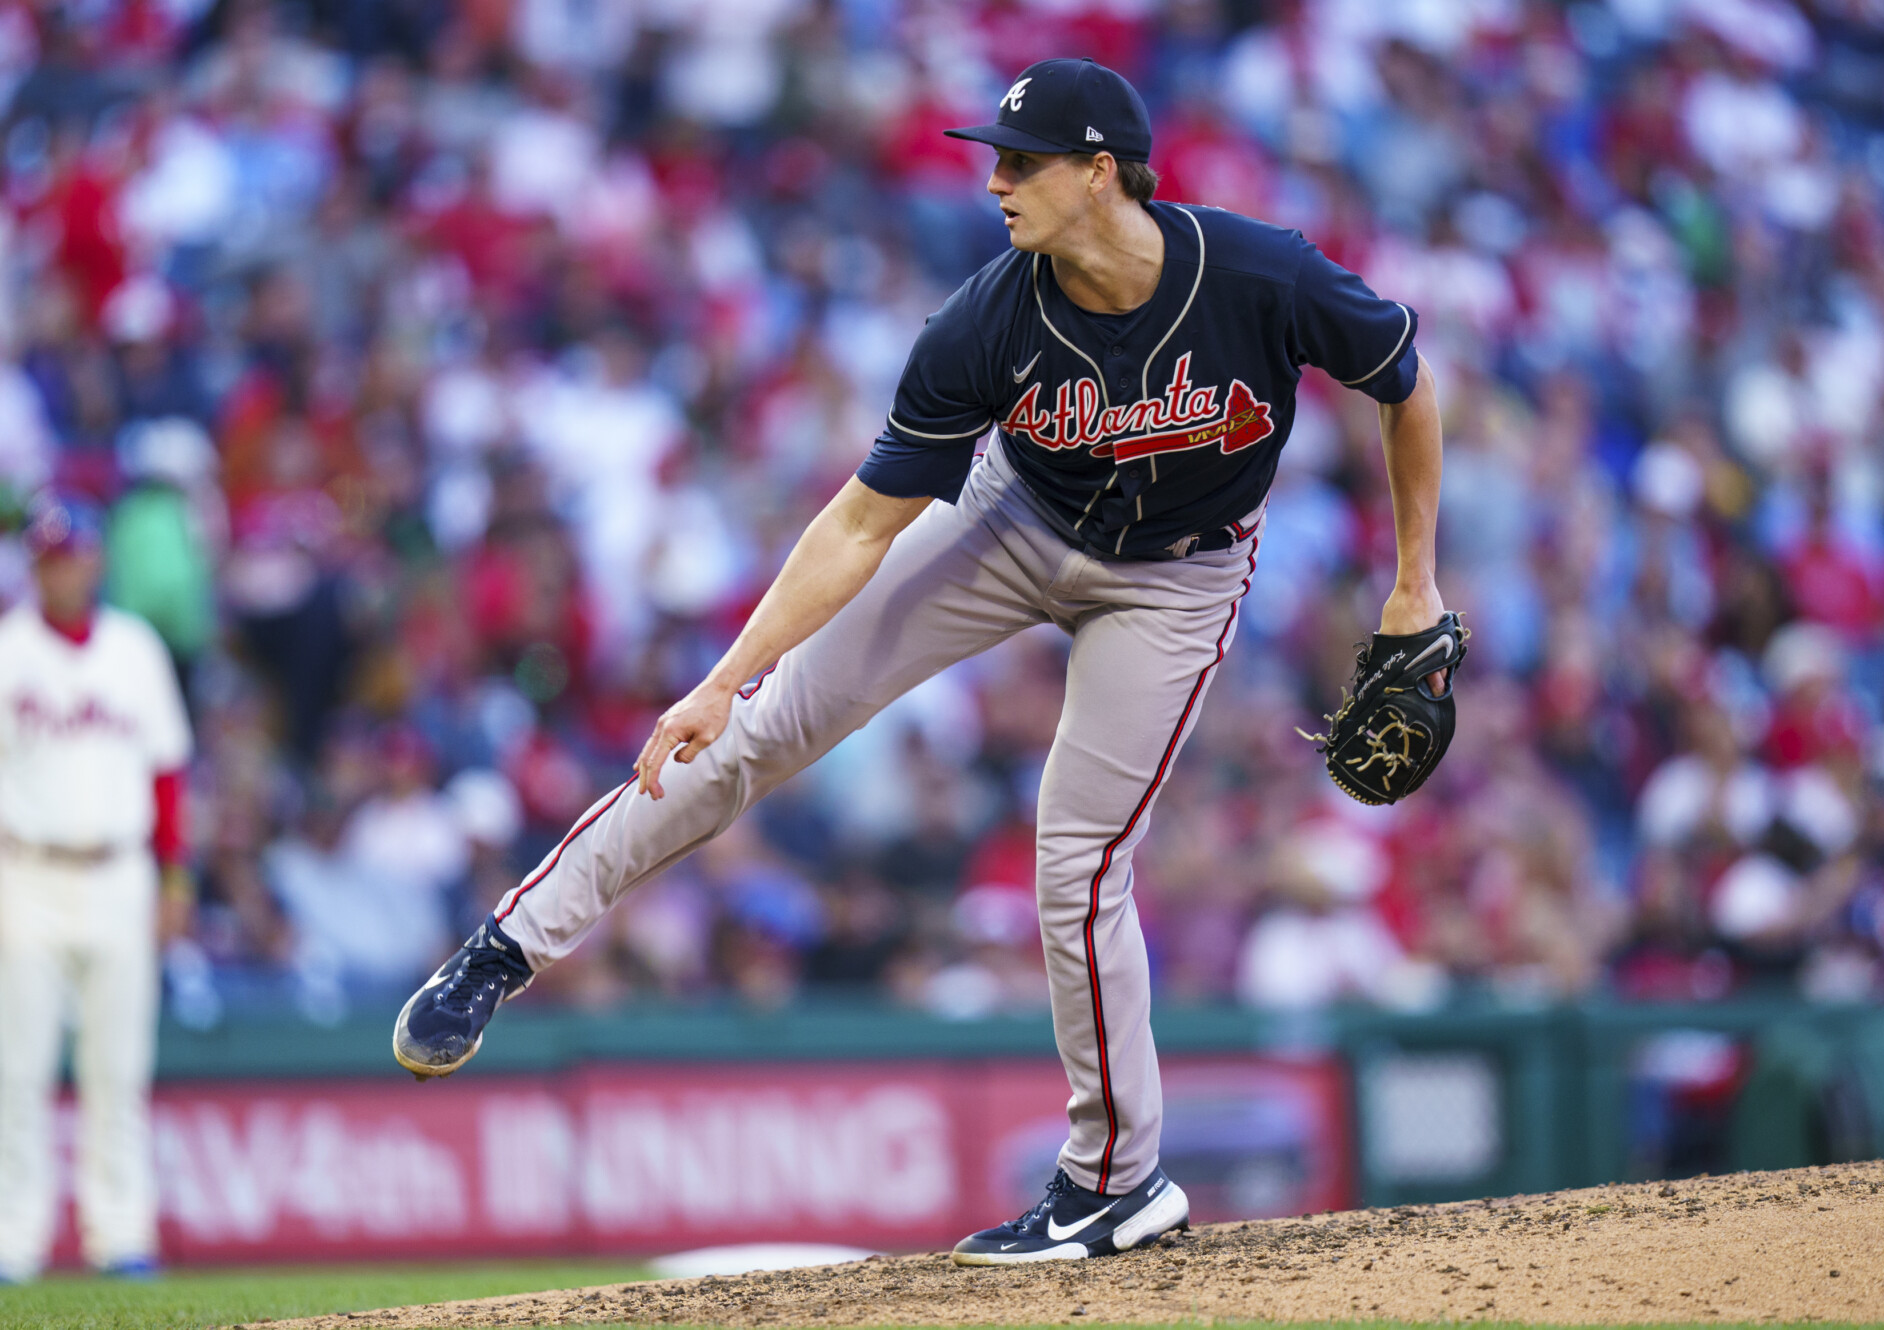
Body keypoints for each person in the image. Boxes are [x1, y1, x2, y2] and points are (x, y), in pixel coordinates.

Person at [394, 57, 1447, 1265]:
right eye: (993, 160)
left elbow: (1401, 383)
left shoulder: (1256, 272)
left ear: (1101, 172)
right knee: (757, 723)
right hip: (1011, 524)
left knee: (1077, 854)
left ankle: (1114, 1183)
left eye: (1021, 162)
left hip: (1178, 573)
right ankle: (510, 943)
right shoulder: (989, 318)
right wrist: (719, 674)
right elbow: (857, 521)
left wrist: (1413, 583)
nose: (994, 182)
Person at [0, 493, 194, 1283]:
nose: (66, 568)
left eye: (75, 553)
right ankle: (14, 1240)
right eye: (51, 556)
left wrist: (176, 875)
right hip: (26, 869)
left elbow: (167, 770)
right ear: (36, 566)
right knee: (18, 1069)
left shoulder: (134, 648)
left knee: (119, 1069)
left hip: (121, 870)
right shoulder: (8, 650)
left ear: (97, 559)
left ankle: (122, 1237)